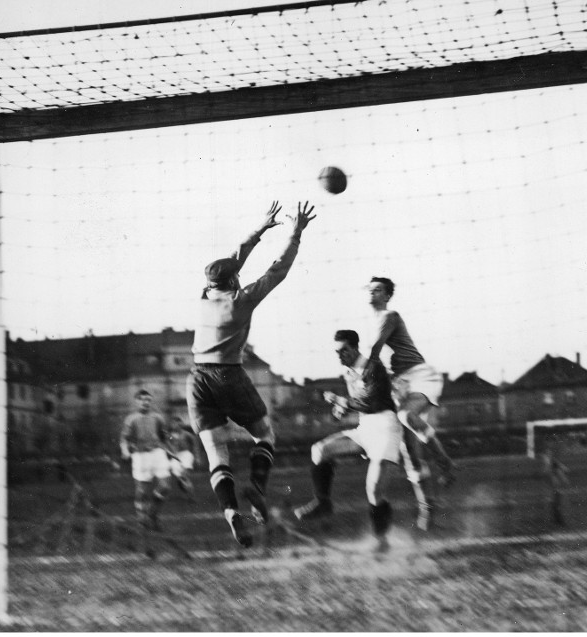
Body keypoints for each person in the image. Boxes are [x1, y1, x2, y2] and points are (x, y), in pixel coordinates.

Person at [186, 200, 316, 547]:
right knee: (264, 436)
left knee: (217, 455)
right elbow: (278, 270)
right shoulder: (241, 301)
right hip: (228, 376)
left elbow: (234, 258)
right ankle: (256, 490)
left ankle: (231, 512)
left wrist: (260, 228)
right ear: (234, 279)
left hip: (196, 381)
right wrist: (295, 233)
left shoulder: (203, 297)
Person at [294, 330, 403, 552]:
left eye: (343, 350)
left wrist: (341, 400)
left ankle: (382, 541)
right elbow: (355, 404)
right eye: (337, 352)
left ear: (355, 347)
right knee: (320, 450)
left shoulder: (373, 367)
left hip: (385, 427)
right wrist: (339, 411)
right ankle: (323, 503)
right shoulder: (348, 372)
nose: (340, 355)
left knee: (374, 491)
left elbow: (369, 400)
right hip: (366, 427)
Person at [365, 276, 456, 529]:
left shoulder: (390, 316)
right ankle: (427, 509)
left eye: (378, 290)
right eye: (370, 290)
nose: (372, 293)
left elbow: (375, 350)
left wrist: (365, 374)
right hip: (400, 388)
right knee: (410, 455)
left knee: (407, 416)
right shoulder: (373, 323)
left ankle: (445, 462)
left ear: (387, 295)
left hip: (419, 376)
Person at [120, 389, 173, 531]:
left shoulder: (158, 417)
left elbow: (165, 437)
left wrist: (170, 451)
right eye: (142, 399)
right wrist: (125, 450)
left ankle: (152, 514)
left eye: (148, 400)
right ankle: (141, 520)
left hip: (158, 453)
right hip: (140, 455)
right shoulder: (131, 419)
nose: (146, 402)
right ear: (136, 401)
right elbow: (124, 439)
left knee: (165, 487)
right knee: (142, 491)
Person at [167, 416, 197, 501]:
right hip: (176, 457)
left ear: (181, 424)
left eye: (178, 423)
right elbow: (168, 444)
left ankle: (192, 496)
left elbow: (194, 442)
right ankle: (187, 493)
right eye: (174, 423)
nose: (176, 425)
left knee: (184, 475)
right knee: (180, 478)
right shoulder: (170, 435)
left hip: (186, 455)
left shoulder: (186, 434)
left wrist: (197, 456)